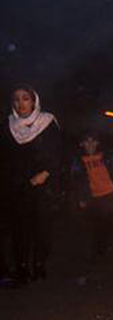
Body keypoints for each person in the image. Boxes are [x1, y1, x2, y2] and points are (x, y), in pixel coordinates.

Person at [4, 85, 62, 284]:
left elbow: (58, 152)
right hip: (17, 185)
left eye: (25, 98)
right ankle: (21, 267)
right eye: (17, 99)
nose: (21, 103)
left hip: (42, 185)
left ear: (34, 100)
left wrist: (45, 173)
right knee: (19, 228)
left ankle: (38, 264)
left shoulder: (46, 122)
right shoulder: (8, 124)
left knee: (42, 227)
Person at [71, 132, 113, 261]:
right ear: (82, 144)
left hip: (112, 193)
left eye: (93, 141)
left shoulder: (106, 155)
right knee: (99, 225)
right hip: (95, 197)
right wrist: (82, 198)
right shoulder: (78, 161)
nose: (90, 144)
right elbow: (78, 180)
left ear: (97, 143)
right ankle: (100, 250)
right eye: (87, 142)